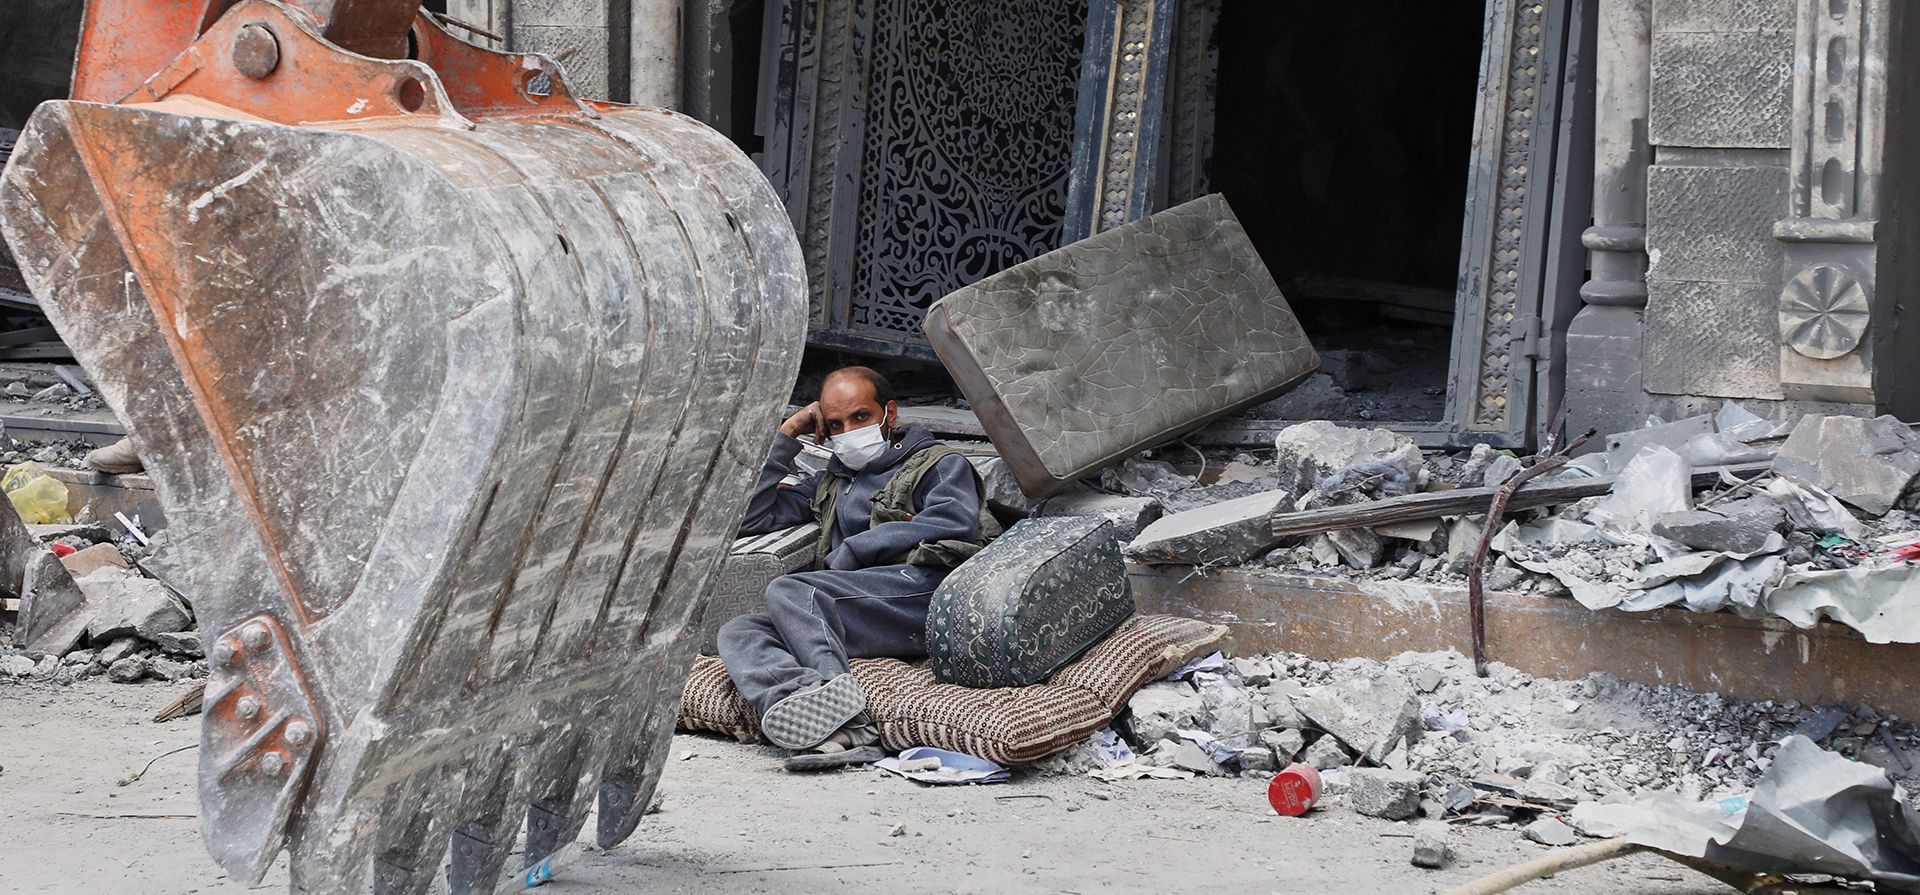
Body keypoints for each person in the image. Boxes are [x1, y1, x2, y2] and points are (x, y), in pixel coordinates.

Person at [718, 366, 994, 770]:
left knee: (791, 589)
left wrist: (854, 549)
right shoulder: (833, 480)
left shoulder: (937, 463)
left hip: (924, 593)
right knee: (740, 631)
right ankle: (828, 728)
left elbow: (954, 523)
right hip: (860, 604)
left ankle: (855, 720)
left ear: (890, 414)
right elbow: (750, 519)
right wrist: (788, 433)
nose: (849, 430)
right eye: (835, 424)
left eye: (860, 417)